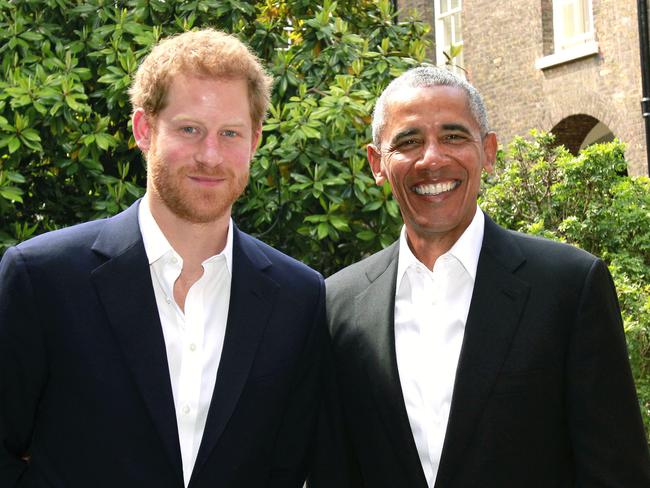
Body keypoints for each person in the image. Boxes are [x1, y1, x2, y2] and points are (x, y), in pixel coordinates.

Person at [0, 29, 328, 488]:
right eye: (189, 129)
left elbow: (290, 467)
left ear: (255, 140)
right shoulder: (43, 278)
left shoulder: (299, 297)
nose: (210, 155)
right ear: (143, 130)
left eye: (229, 133)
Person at [318, 66, 650, 487]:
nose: (432, 158)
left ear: (489, 151)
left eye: (454, 137)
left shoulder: (569, 287)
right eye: (408, 141)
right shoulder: (338, 305)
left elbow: (616, 473)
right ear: (376, 163)